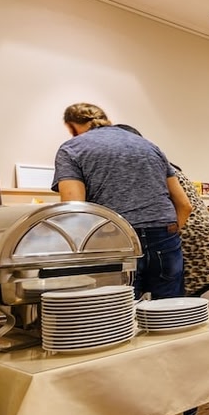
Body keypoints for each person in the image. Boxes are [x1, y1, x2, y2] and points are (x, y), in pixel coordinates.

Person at [52, 103, 192, 301]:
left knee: (118, 310)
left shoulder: (71, 148)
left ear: (71, 127)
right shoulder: (149, 146)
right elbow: (185, 205)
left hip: (113, 238)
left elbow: (74, 209)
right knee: (170, 308)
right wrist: (170, 231)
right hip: (163, 235)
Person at [114, 124, 209, 297]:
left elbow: (185, 207)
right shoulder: (163, 165)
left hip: (187, 238)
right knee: (180, 302)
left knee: (176, 304)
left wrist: (169, 234)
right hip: (202, 235)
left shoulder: (147, 168)